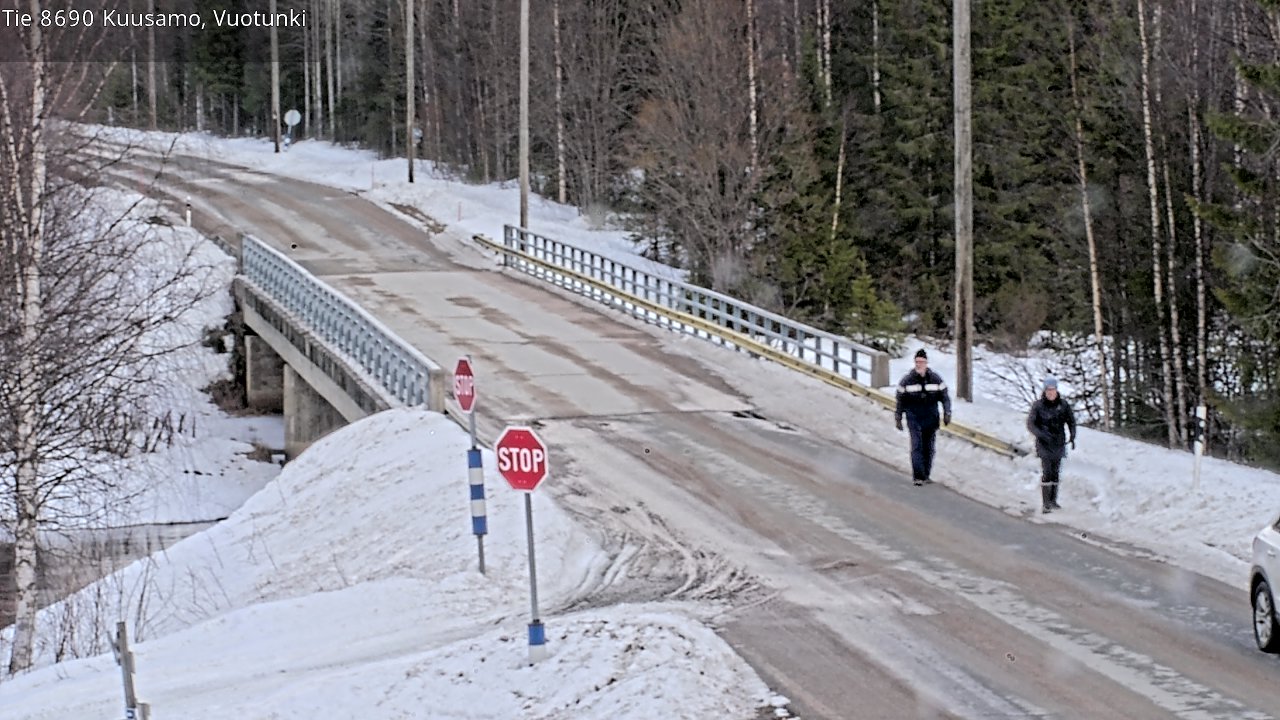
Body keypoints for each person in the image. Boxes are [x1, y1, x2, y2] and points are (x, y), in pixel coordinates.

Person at [894, 349, 952, 486]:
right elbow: (900, 400)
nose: (919, 364)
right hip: (914, 417)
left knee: (929, 447)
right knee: (917, 446)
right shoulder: (907, 381)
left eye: (922, 362)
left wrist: (947, 413)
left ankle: (926, 474)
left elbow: (945, 397)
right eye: (917, 362)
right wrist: (898, 417)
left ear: (926, 363)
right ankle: (918, 476)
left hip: (931, 418)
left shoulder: (936, 379)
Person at [1026, 375, 1077, 514]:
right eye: (1048, 390)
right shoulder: (1038, 406)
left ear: (1056, 390)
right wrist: (1041, 434)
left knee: (1056, 471)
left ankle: (1053, 500)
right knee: (1047, 471)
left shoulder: (1063, 405)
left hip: (1058, 442)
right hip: (1044, 444)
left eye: (1053, 390)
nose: (1051, 393)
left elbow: (1071, 421)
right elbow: (1031, 424)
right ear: (1045, 391)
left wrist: (1072, 435)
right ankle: (1045, 503)